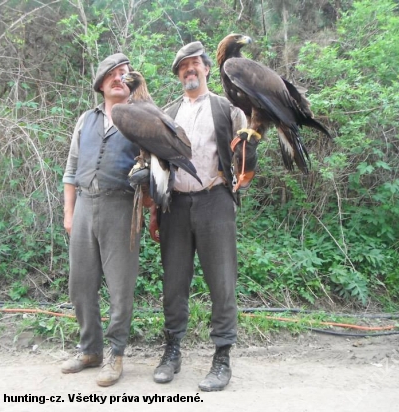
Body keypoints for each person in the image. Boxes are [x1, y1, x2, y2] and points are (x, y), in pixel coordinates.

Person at [148, 41, 253, 392]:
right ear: (178, 74)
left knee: (222, 282)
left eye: (195, 65)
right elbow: (156, 164)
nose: (189, 70)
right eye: (183, 67)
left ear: (207, 69)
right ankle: (172, 351)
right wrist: (153, 207)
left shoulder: (229, 109)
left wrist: (242, 177)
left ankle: (222, 357)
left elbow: (246, 154)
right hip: (174, 206)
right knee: (174, 283)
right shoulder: (166, 113)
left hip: (215, 201)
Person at [60, 53, 141, 387]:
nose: (119, 77)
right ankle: (89, 349)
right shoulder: (85, 119)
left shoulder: (139, 117)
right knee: (80, 285)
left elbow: (155, 168)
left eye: (125, 73)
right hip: (83, 207)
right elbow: (70, 169)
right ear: (101, 83)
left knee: (120, 288)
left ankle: (115, 355)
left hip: (121, 207)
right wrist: (69, 213)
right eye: (112, 73)